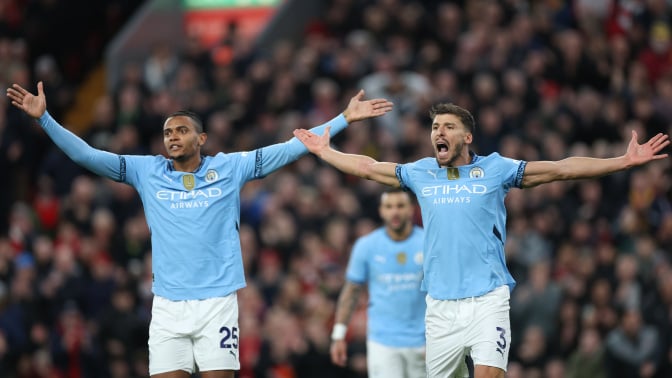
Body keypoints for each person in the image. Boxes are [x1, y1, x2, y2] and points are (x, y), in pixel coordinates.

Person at [6, 81, 393, 378]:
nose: (172, 137)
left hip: (217, 304)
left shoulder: (230, 167)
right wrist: (44, 118)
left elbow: (296, 145)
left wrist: (343, 118)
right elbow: (87, 156)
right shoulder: (147, 171)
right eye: (167, 132)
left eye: (181, 131)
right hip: (168, 307)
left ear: (201, 139)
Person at [292, 102, 670, 378]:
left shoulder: (495, 169)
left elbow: (561, 168)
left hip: (487, 299)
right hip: (439, 307)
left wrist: (621, 161)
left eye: (448, 127)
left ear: (467, 136)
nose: (438, 132)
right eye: (435, 126)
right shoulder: (421, 172)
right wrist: (326, 151)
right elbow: (368, 168)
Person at [330, 188, 427, 377]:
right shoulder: (367, 246)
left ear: (411, 210)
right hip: (382, 343)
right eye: (389, 207)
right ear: (381, 211)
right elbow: (351, 292)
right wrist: (339, 335)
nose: (395, 212)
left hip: (425, 342)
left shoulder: (428, 242)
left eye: (400, 206)